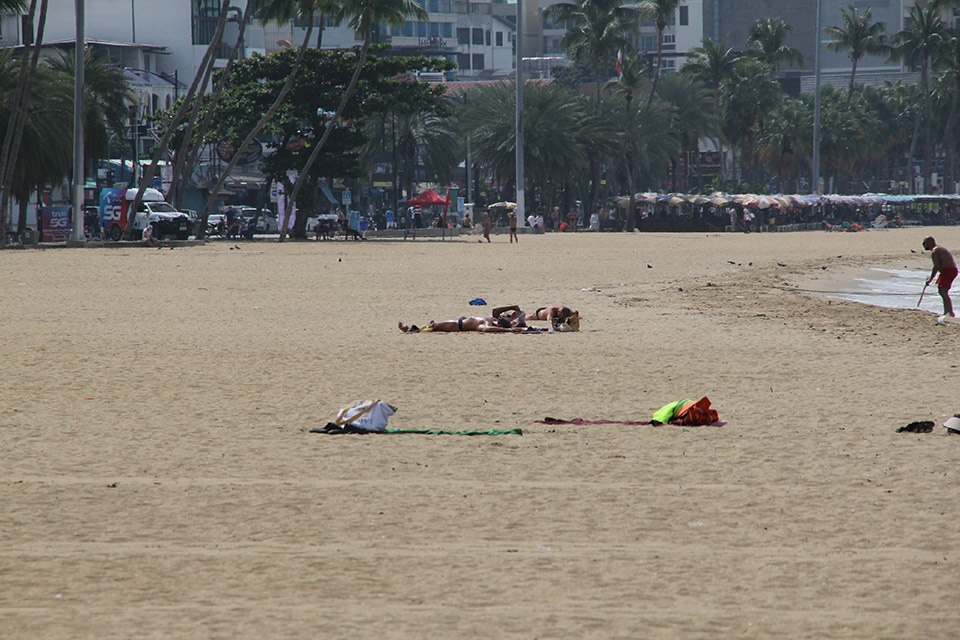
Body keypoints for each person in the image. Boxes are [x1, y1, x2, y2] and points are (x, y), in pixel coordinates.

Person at [922, 236, 957, 319]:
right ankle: (947, 311)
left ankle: (949, 312)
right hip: (949, 270)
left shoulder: (935, 251)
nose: (924, 246)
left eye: (924, 243)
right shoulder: (938, 249)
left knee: (943, 291)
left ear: (929, 243)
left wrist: (930, 280)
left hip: (948, 271)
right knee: (942, 290)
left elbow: (936, 267)